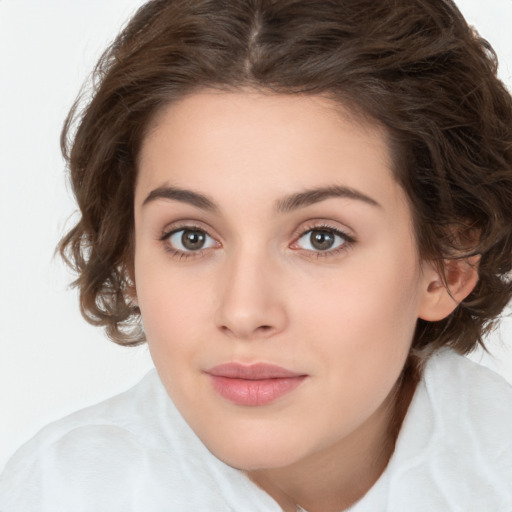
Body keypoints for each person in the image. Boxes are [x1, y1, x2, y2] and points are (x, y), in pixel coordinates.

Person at [1, 0, 512, 510]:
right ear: (129, 258)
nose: (244, 312)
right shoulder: (56, 492)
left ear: (449, 263)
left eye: (321, 238)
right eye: (191, 237)